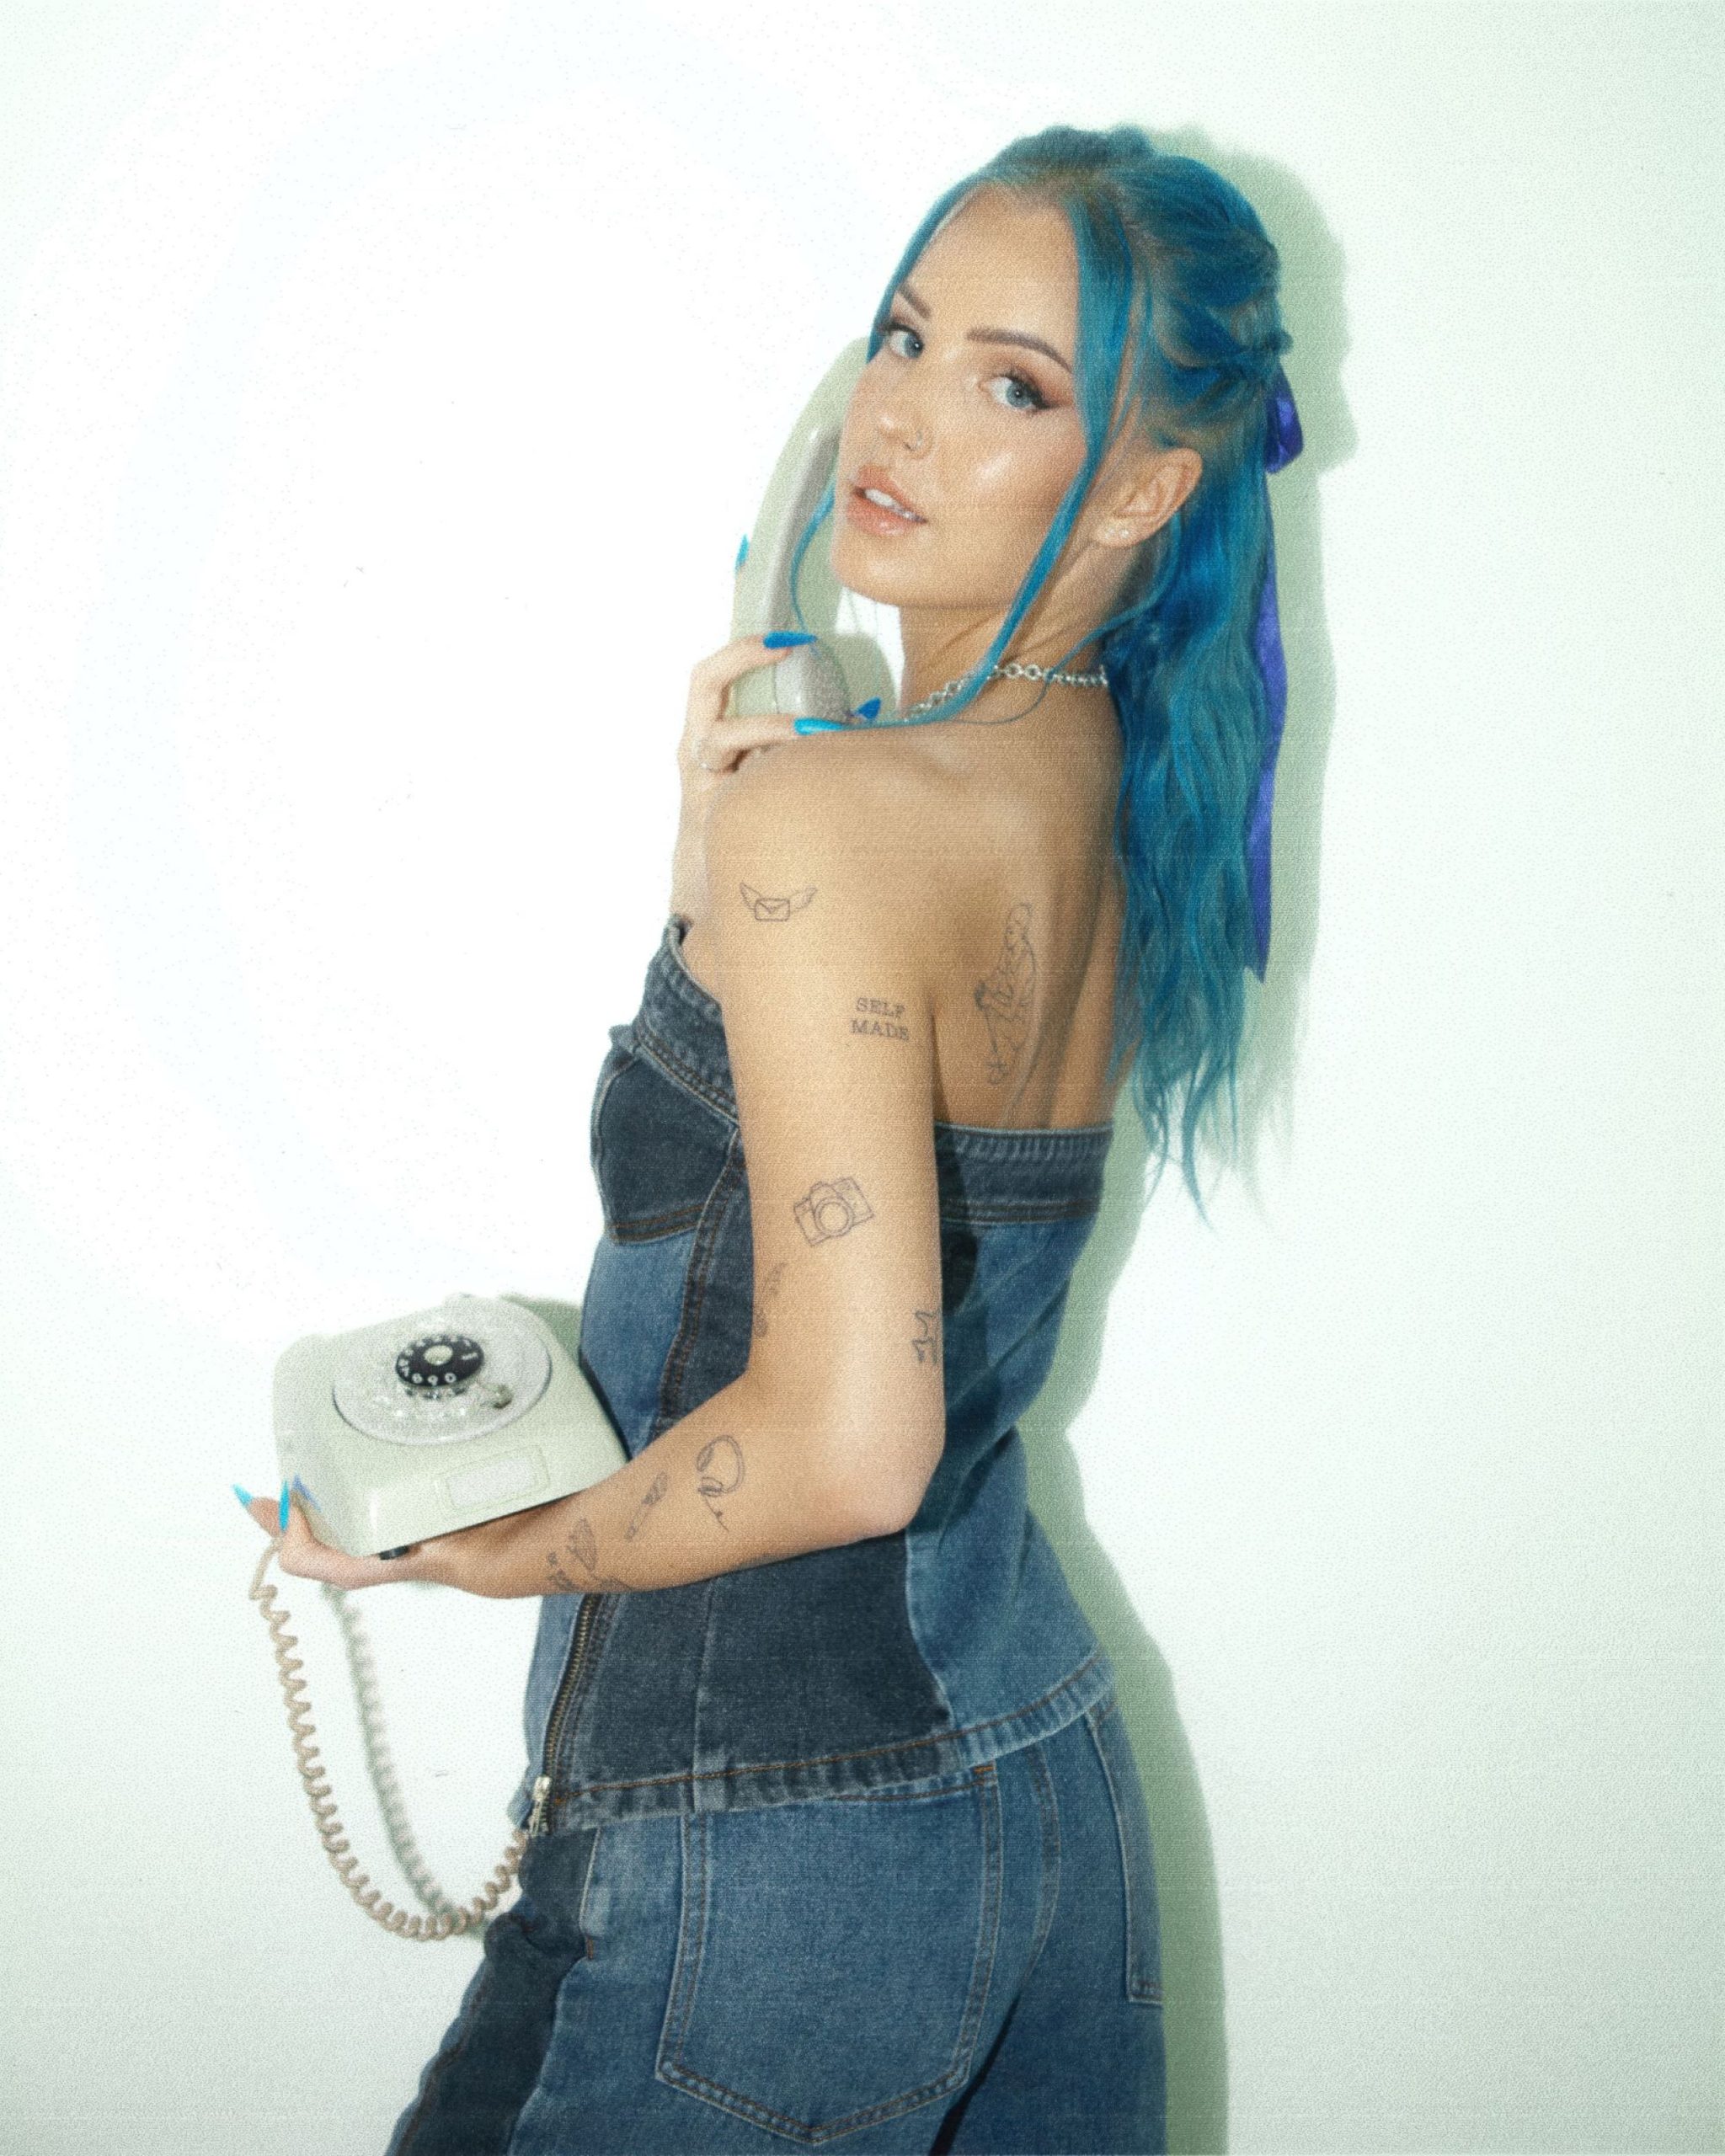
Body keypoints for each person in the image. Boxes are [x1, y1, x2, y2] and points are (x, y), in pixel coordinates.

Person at [243, 120, 1298, 2154]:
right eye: (900, 336)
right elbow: (798, 1248)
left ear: (1142, 488)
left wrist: (494, 1550)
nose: (896, 414)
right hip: (1030, 1777)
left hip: (768, 1852)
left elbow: (846, 1437)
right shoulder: (1087, 789)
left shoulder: (844, 816)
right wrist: (707, 864)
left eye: (1013, 385)